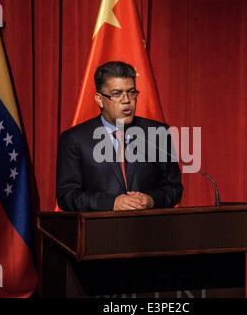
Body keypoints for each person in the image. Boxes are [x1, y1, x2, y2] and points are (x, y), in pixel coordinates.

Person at [56, 61, 183, 211]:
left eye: (131, 92)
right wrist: (111, 203)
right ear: (99, 99)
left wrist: (151, 200)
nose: (127, 100)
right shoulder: (74, 139)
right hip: (99, 230)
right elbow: (67, 196)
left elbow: (174, 188)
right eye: (117, 94)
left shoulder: (157, 133)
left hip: (148, 229)